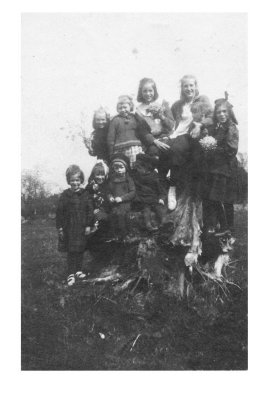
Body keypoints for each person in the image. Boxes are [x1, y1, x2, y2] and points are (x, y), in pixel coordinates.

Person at [169, 74, 213, 210]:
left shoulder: (202, 99)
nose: (188, 89)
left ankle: (194, 196)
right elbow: (170, 122)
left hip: (192, 136)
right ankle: (171, 189)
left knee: (183, 151)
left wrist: (200, 125)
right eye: (185, 86)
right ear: (182, 88)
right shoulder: (177, 104)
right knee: (168, 150)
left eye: (191, 85)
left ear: (196, 86)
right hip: (176, 135)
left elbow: (212, 117)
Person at [202, 95, 239, 236]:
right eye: (219, 112)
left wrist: (213, 147)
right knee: (214, 197)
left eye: (224, 112)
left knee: (223, 198)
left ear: (229, 113)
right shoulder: (217, 128)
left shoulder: (231, 128)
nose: (222, 114)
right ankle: (219, 225)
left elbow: (231, 150)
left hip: (226, 168)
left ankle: (228, 227)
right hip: (216, 168)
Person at [56, 165, 94, 286]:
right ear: (68, 181)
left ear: (81, 180)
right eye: (72, 180)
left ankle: (78, 270)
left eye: (77, 180)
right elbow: (59, 212)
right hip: (69, 227)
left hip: (81, 226)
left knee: (80, 249)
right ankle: (70, 273)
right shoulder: (65, 195)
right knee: (71, 250)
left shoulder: (85, 194)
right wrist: (60, 228)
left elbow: (90, 210)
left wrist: (88, 225)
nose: (75, 183)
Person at [135, 77, 175, 186]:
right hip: (151, 142)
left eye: (150, 91)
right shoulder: (138, 110)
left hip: (165, 138)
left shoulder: (163, 105)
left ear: (154, 91)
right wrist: (154, 141)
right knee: (153, 155)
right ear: (141, 92)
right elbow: (142, 131)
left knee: (171, 152)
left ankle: (170, 185)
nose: (148, 94)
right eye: (145, 91)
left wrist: (161, 116)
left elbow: (171, 125)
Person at [107, 95, 143, 168]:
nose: (123, 110)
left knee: (135, 168)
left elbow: (142, 131)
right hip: (120, 150)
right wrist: (111, 153)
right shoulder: (115, 120)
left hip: (134, 148)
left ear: (130, 107)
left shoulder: (135, 118)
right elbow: (110, 138)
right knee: (122, 169)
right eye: (120, 108)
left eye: (125, 107)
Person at [132, 153, 166, 232]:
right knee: (146, 210)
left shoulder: (154, 176)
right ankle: (148, 225)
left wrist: (161, 198)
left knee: (159, 208)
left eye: (140, 168)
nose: (138, 170)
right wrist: (137, 198)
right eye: (137, 168)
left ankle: (164, 222)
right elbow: (136, 188)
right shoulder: (137, 176)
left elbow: (161, 189)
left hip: (154, 197)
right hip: (143, 198)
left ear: (146, 167)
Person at [107, 153, 136, 240]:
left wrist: (122, 198)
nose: (119, 170)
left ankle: (125, 234)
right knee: (113, 216)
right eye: (116, 168)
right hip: (115, 205)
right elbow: (109, 192)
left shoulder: (128, 179)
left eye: (121, 167)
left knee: (123, 216)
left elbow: (133, 192)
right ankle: (115, 235)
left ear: (125, 168)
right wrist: (110, 197)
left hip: (125, 205)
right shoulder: (112, 179)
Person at [85, 159, 110, 234]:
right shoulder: (91, 185)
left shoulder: (106, 186)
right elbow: (87, 198)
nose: (100, 177)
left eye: (102, 175)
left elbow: (107, 199)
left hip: (104, 210)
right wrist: (92, 189)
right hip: (92, 210)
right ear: (93, 175)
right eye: (97, 175)